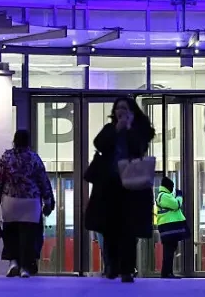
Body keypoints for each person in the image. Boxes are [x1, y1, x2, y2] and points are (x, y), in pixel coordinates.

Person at [84, 96, 154, 282]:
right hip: (109, 186)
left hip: (132, 186)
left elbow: (140, 148)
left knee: (129, 229)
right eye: (118, 109)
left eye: (124, 108)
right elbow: (99, 144)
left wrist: (129, 128)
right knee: (109, 229)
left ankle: (127, 269)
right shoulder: (109, 129)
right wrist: (116, 130)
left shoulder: (140, 130)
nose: (120, 112)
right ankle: (111, 266)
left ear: (132, 111)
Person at [0, 130, 55, 278]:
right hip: (31, 202)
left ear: (14, 141)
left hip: (10, 200)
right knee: (29, 234)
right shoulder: (34, 158)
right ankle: (25, 267)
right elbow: (43, 181)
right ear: (28, 142)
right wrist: (48, 200)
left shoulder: (6, 157)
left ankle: (13, 262)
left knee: (11, 231)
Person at [156, 176, 188, 279]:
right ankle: (167, 273)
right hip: (168, 228)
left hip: (170, 228)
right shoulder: (164, 196)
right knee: (168, 251)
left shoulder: (165, 196)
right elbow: (176, 205)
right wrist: (179, 196)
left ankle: (168, 272)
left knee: (170, 250)